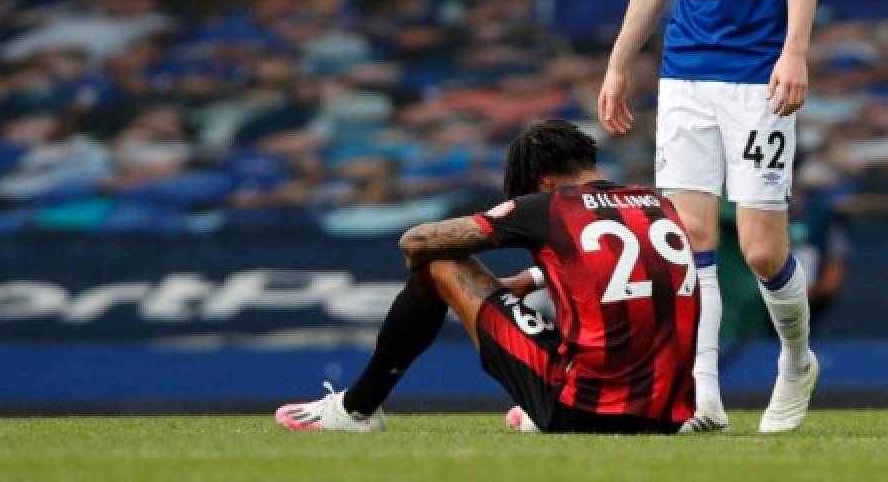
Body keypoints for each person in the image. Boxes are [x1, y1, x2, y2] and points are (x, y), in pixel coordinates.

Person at [597, 0, 819, 433]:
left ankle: (797, 360)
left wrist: (795, 52)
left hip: (757, 74)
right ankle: (706, 395)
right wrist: (618, 63)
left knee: (759, 248)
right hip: (687, 73)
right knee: (688, 239)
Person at [275, 118, 700, 435]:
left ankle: (356, 409)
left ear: (544, 181)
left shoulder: (547, 206)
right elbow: (633, 269)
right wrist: (536, 277)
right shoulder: (654, 202)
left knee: (437, 262)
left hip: (583, 410)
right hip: (667, 414)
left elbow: (416, 240)